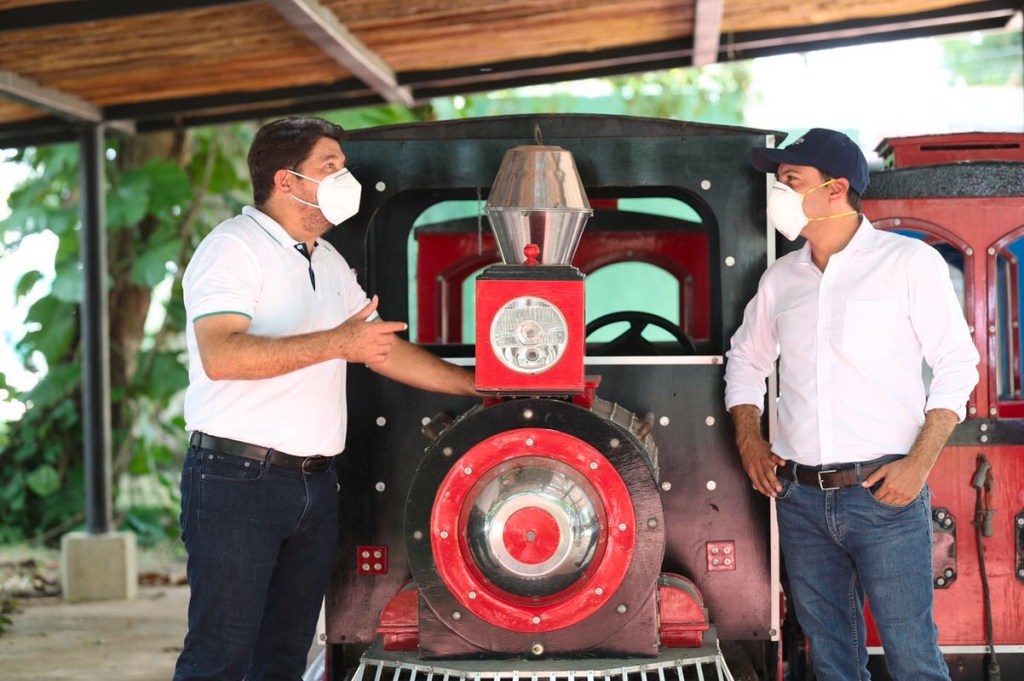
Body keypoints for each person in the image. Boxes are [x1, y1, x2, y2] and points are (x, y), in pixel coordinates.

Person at [175, 116, 478, 681]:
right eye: (330, 166)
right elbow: (223, 355)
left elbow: (379, 349)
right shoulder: (233, 247)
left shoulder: (327, 259)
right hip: (237, 479)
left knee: (283, 656)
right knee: (221, 653)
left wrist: (476, 386)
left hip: (313, 483)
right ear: (286, 181)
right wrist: (338, 343)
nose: (345, 178)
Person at [724, 128, 979, 680]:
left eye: (791, 180)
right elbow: (745, 359)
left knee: (913, 658)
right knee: (832, 663)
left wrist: (918, 465)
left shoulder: (907, 263)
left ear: (836, 188)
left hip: (885, 495)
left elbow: (958, 365)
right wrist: (750, 439)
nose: (779, 192)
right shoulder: (780, 279)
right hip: (800, 500)